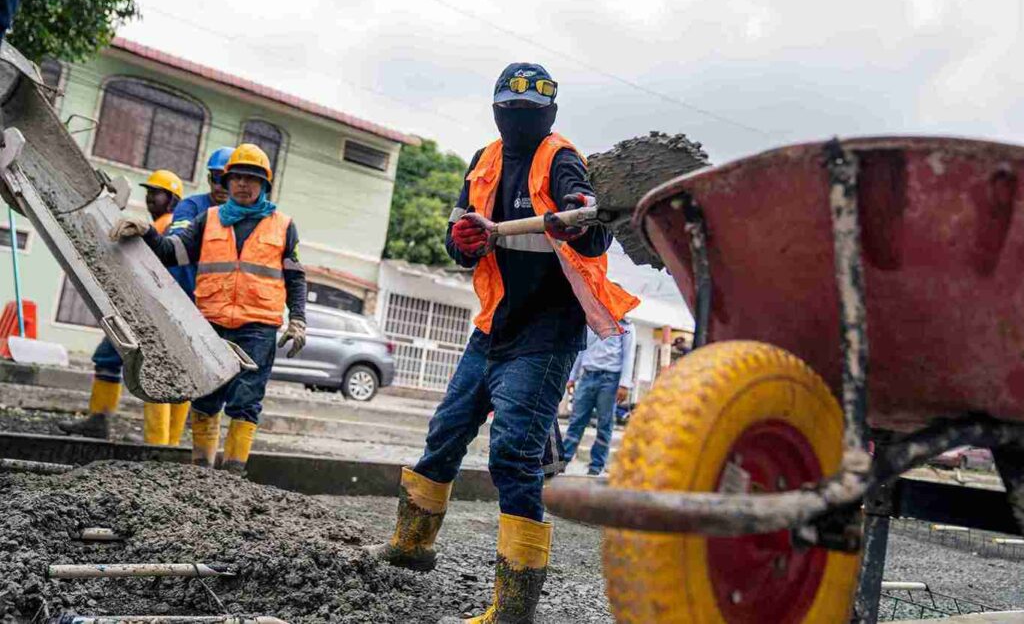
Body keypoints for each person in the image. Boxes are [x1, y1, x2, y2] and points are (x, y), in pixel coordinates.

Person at [368, 63, 638, 623]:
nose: (520, 122)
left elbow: (596, 228)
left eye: (530, 114)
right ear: (497, 111)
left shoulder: (562, 159)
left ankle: (515, 606)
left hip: (547, 332)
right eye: (511, 111)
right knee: (445, 433)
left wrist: (578, 226)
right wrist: (462, 240)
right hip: (494, 324)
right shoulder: (483, 162)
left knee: (514, 453)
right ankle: (411, 547)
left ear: (549, 116)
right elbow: (459, 235)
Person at [109, 143, 307, 475]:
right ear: (227, 183)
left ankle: (232, 474)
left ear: (264, 185)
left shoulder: (283, 226)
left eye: (251, 179)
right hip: (211, 323)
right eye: (237, 178)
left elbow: (295, 276)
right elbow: (175, 253)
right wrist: (146, 231)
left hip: (257, 326)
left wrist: (298, 319)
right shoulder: (208, 219)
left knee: (246, 401)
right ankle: (201, 471)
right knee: (206, 396)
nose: (243, 184)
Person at [59, 169, 185, 442]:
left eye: (157, 194)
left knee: (154, 372)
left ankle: (159, 442)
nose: (151, 198)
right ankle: (101, 421)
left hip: (150, 312)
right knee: (109, 356)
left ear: (173, 199)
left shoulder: (168, 225)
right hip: (143, 309)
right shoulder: (158, 225)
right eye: (149, 193)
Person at [563, 317, 636, 476]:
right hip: (587, 377)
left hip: (610, 380)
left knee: (605, 424)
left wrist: (624, 384)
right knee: (576, 421)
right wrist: (571, 377)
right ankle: (563, 461)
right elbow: (582, 350)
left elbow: (628, 356)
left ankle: (596, 467)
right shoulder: (591, 321)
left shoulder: (626, 325)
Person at [167, 146, 232, 298]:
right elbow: (181, 243)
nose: (221, 186)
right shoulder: (191, 206)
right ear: (209, 179)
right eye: (217, 178)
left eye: (227, 180)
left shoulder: (244, 219)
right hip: (177, 292)